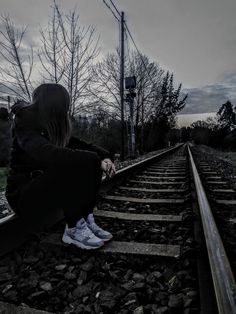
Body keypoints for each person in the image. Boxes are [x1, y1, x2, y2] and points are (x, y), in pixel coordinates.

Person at [5, 83, 116, 250]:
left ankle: (84, 218)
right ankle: (72, 229)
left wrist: (105, 157)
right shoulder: (25, 126)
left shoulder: (50, 126)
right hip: (23, 195)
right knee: (71, 163)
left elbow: (83, 145)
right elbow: (45, 153)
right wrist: (94, 160)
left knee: (88, 161)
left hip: (45, 190)